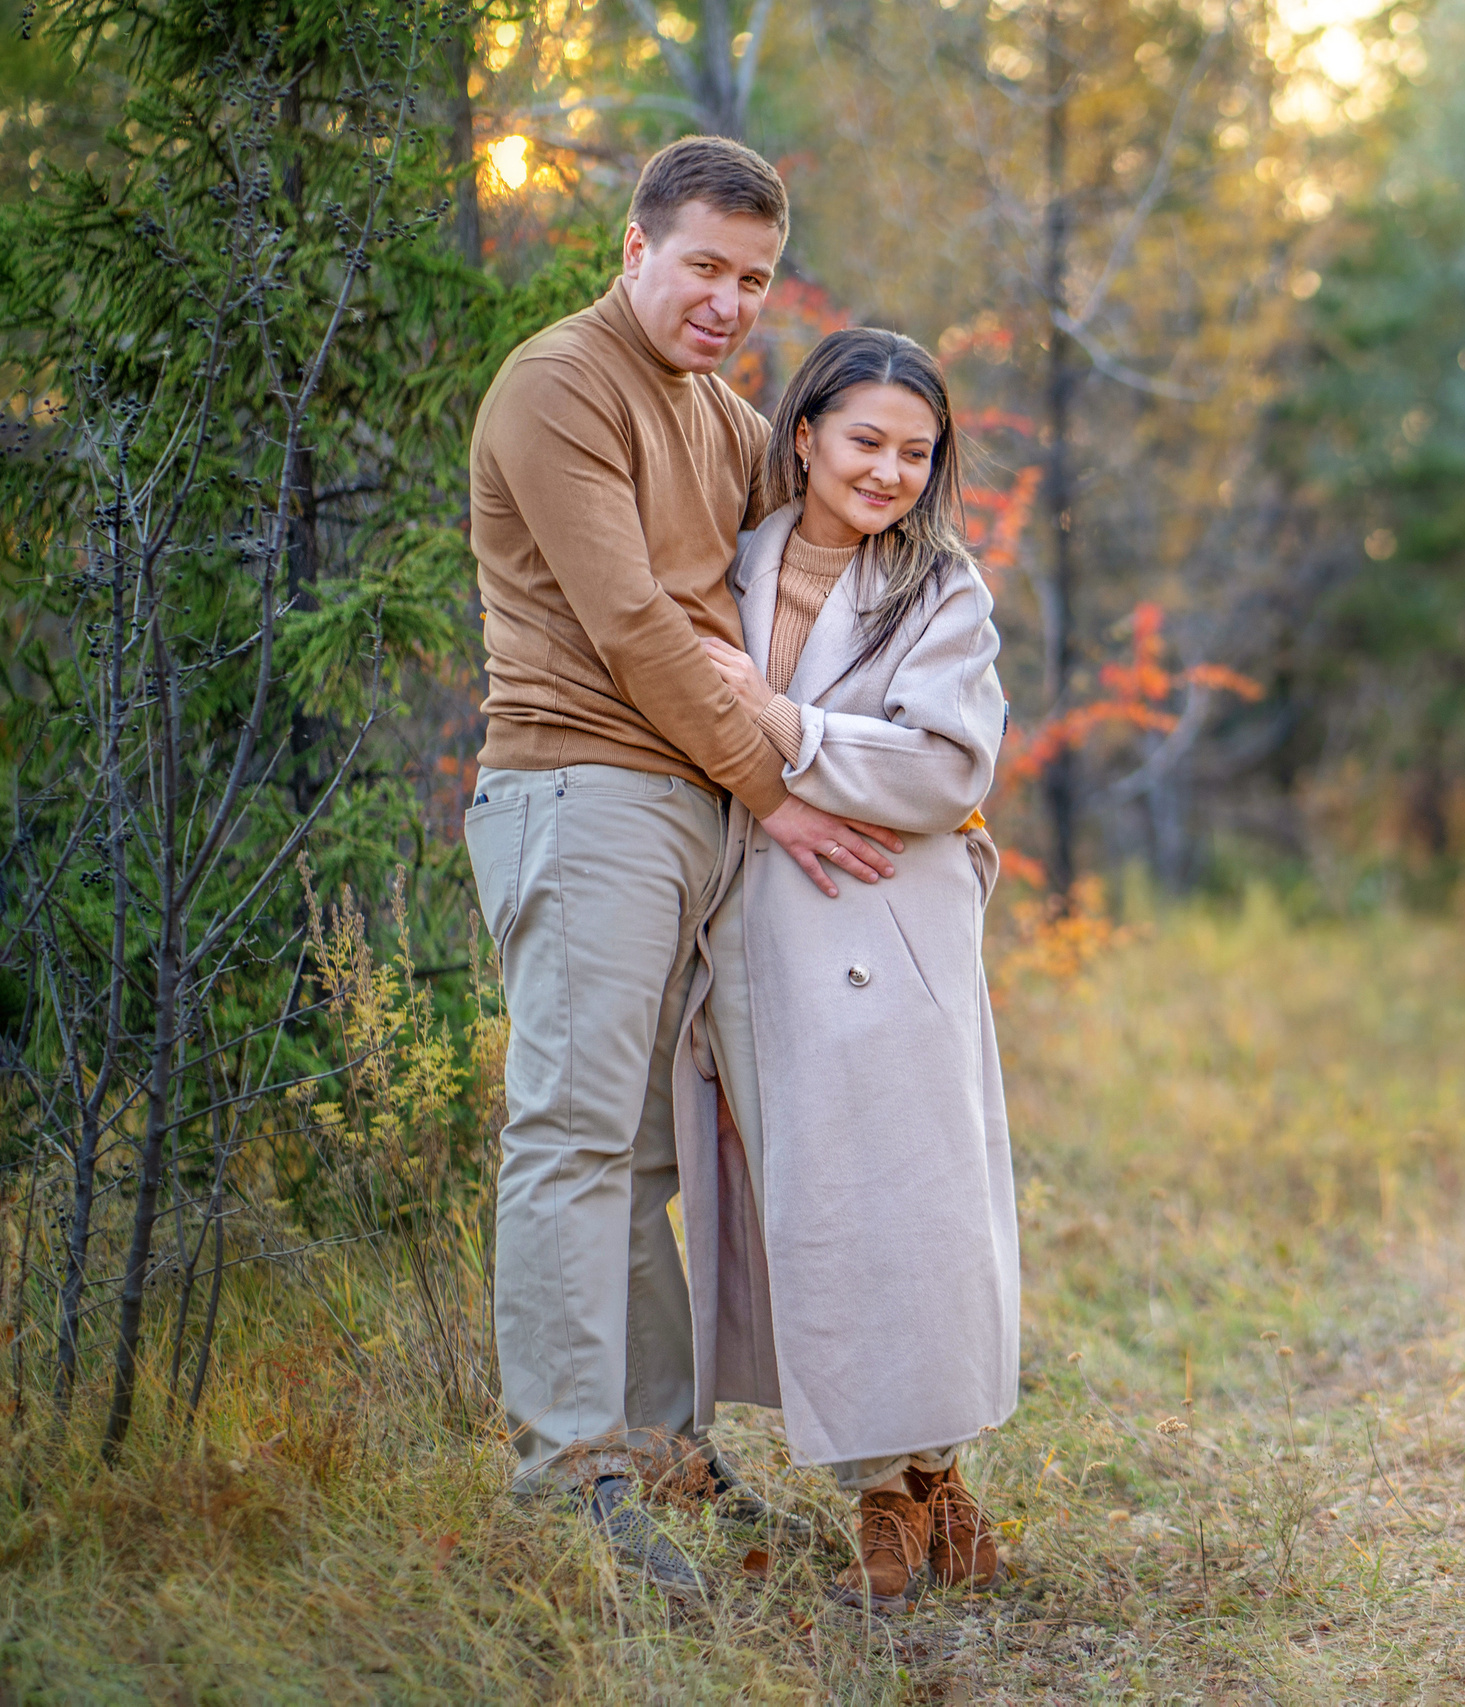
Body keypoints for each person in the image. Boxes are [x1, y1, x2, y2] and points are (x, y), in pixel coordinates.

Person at [463, 136, 903, 1590]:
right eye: (705, 265)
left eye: (756, 278)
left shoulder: (720, 418)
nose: (729, 299)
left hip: (691, 800)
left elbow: (781, 597)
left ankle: (658, 1448)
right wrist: (782, 788)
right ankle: (567, 1469)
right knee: (575, 1128)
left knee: (651, 1149)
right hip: (583, 791)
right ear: (636, 247)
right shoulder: (560, 383)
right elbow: (638, 626)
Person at [672, 327, 1017, 1614]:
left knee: (917, 1217)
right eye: (865, 440)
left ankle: (914, 1484)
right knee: (816, 1220)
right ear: (803, 432)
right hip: (763, 926)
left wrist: (784, 726)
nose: (887, 471)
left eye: (915, 453)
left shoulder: (944, 590)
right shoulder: (730, 562)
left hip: (893, 927)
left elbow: (943, 770)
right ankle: (908, 1483)